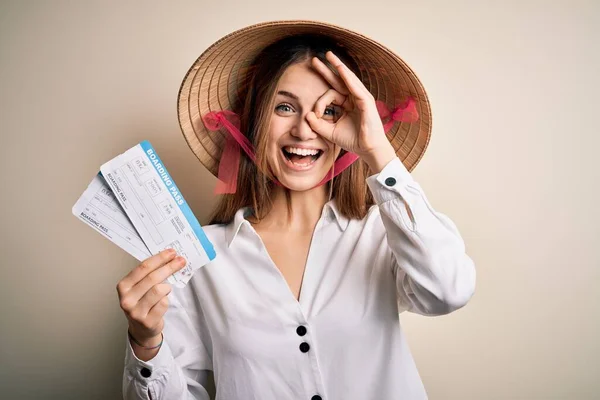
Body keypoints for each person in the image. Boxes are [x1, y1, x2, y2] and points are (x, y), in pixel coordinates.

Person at [118, 21, 476, 400]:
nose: (305, 131)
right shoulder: (198, 255)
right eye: (285, 107)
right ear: (255, 121)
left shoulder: (381, 234)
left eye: (330, 110)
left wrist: (377, 151)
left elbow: (448, 291)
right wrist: (146, 344)